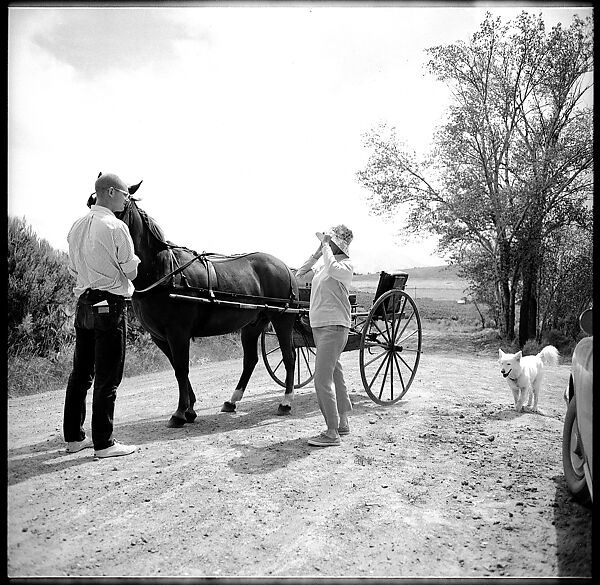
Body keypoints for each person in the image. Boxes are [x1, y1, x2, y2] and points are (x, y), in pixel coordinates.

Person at [63, 173, 141, 458]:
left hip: (83, 303)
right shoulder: (115, 226)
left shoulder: (76, 226)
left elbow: (72, 269)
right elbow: (131, 270)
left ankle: (73, 438)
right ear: (110, 192)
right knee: (108, 375)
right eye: (124, 194)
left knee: (81, 373)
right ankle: (104, 443)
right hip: (109, 304)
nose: (126, 199)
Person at [295, 224, 354, 447]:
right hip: (321, 328)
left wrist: (327, 246)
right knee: (335, 373)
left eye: (330, 242)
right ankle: (343, 422)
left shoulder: (345, 266)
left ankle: (331, 432)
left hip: (334, 326)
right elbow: (300, 276)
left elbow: (333, 269)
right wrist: (318, 251)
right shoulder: (323, 266)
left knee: (322, 378)